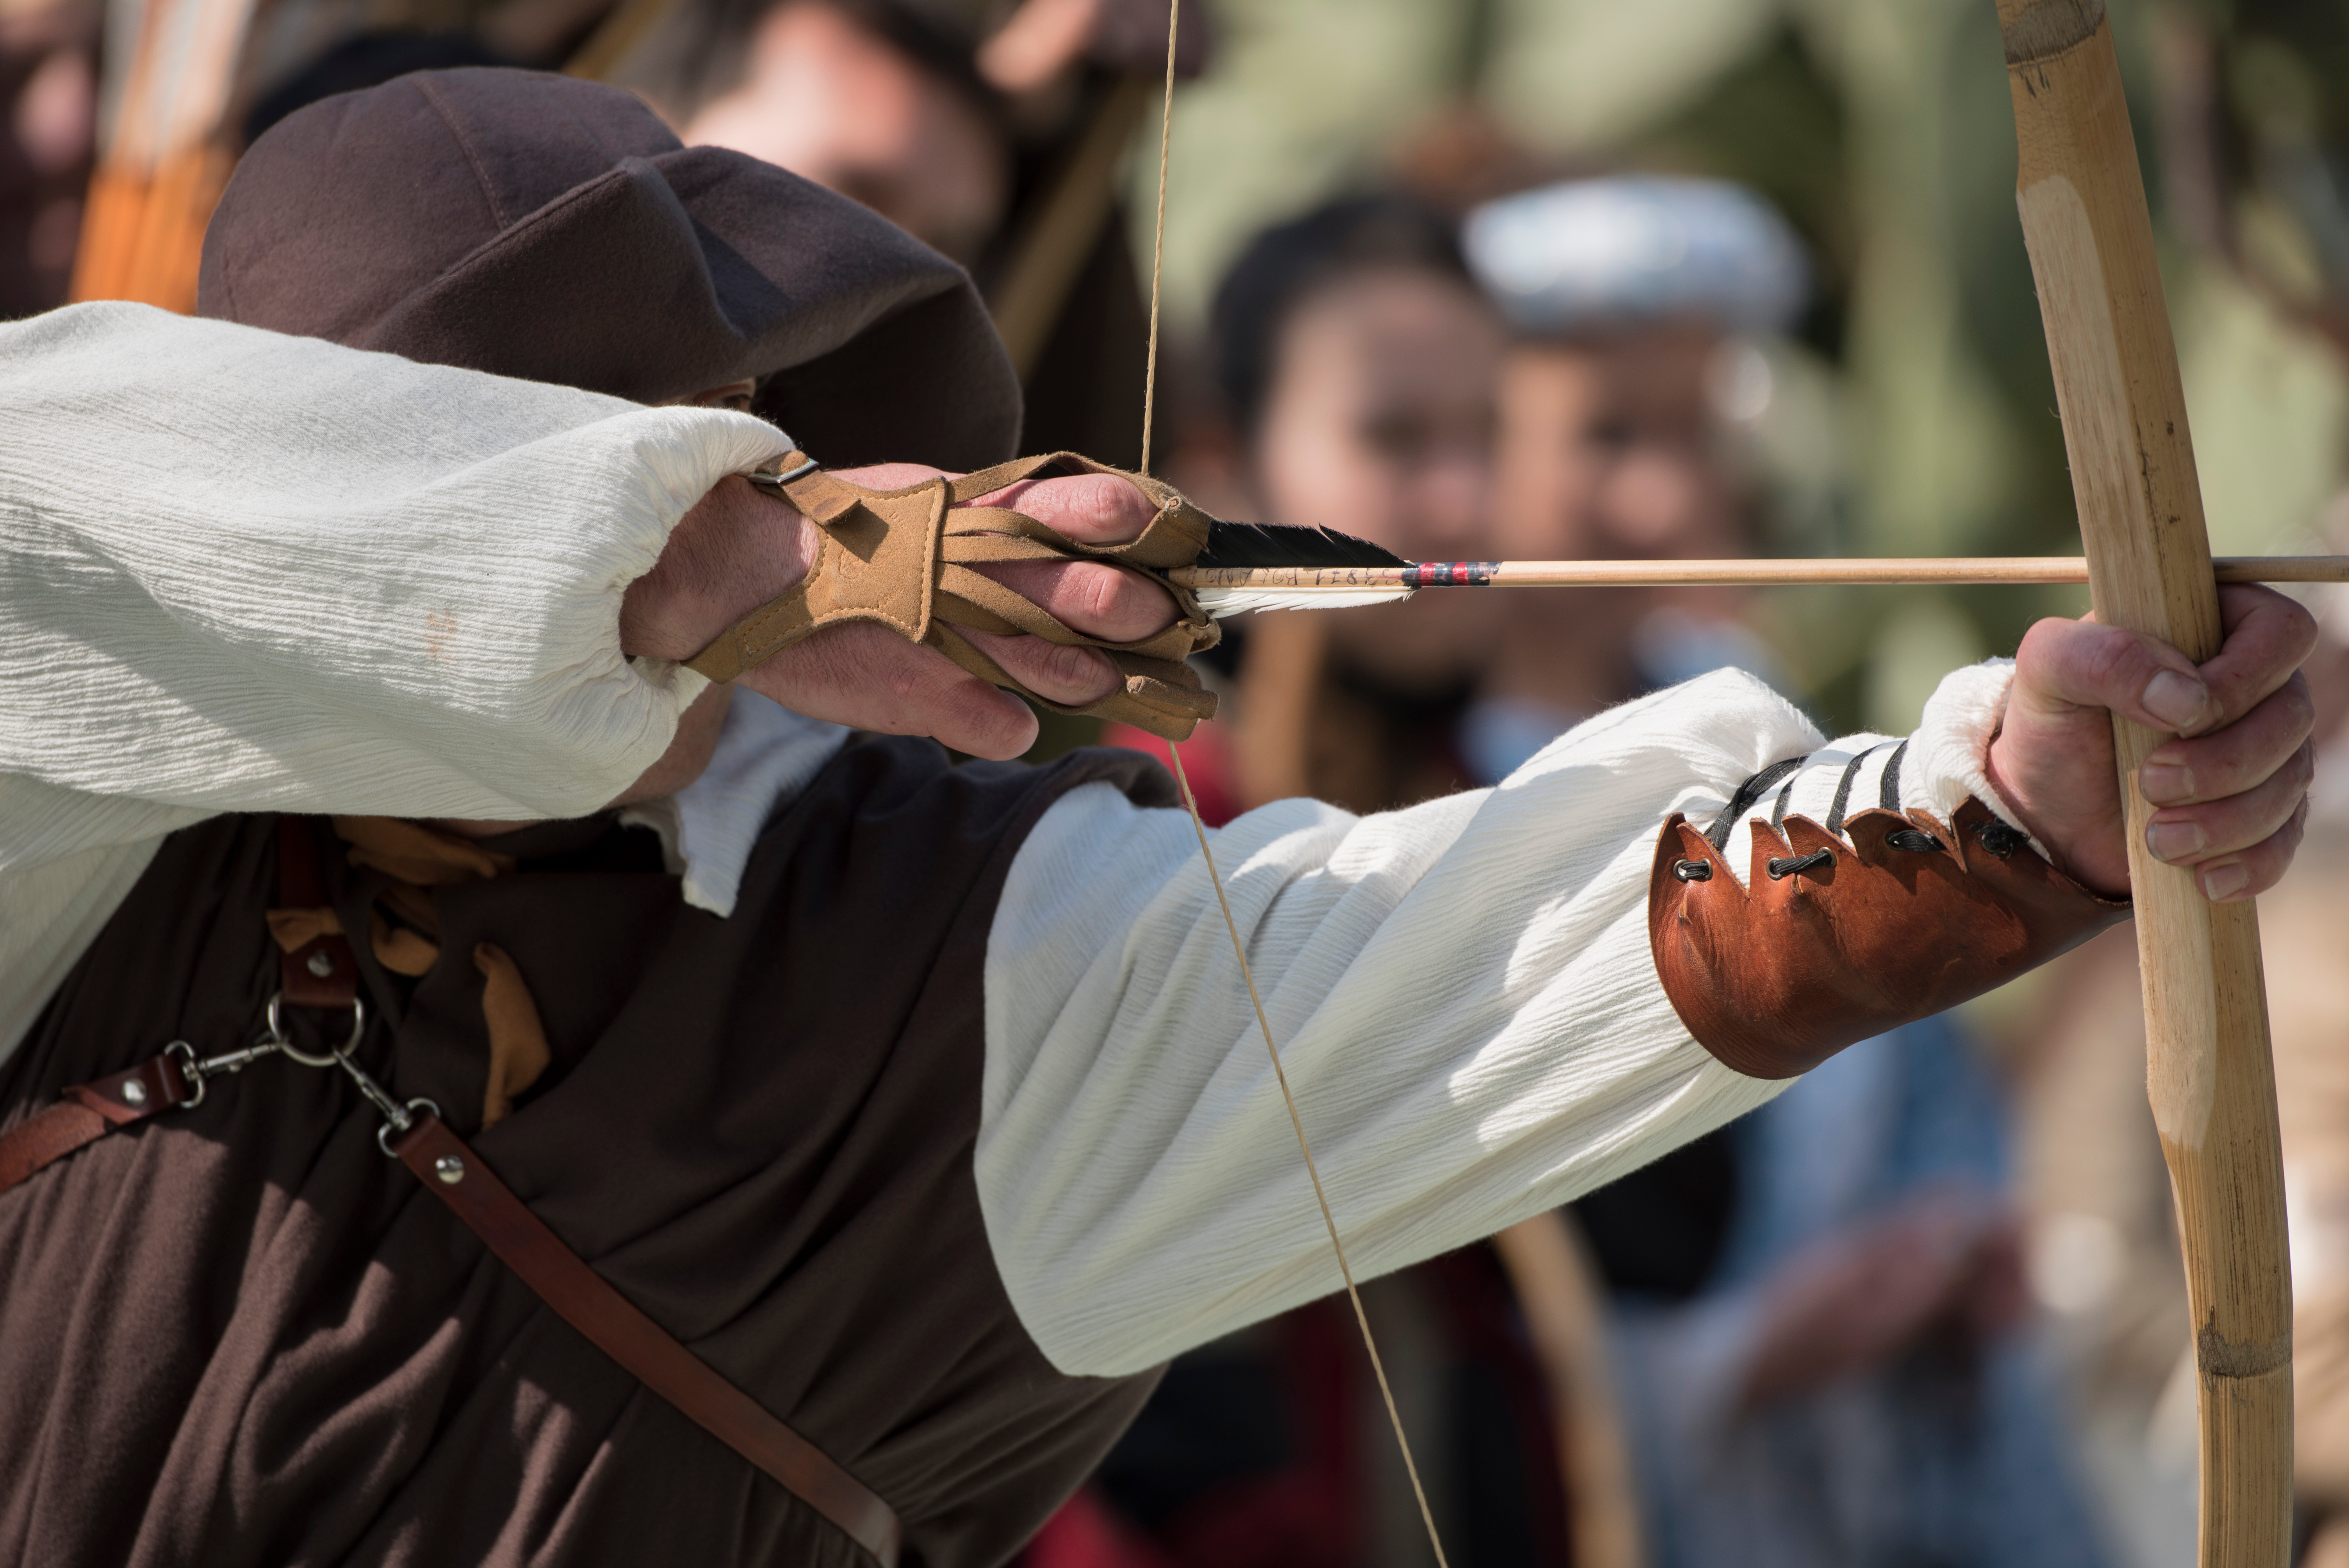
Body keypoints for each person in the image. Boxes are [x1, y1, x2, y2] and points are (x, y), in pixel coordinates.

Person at [0, 69, 2317, 1568]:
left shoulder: (944, 948)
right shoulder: (82, 823)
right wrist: (723, 566)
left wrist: (2024, 795)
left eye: (741, 434)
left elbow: (1490, 958)